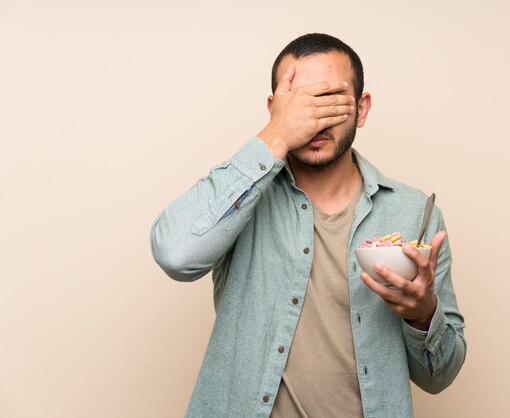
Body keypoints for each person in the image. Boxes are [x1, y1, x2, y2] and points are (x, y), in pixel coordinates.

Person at [151, 33, 466, 418]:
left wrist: (422, 313)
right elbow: (175, 254)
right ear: (275, 109)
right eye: (301, 103)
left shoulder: (415, 212)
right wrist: (277, 135)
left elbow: (440, 376)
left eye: (331, 100)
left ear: (362, 109)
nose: (315, 118)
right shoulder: (240, 196)